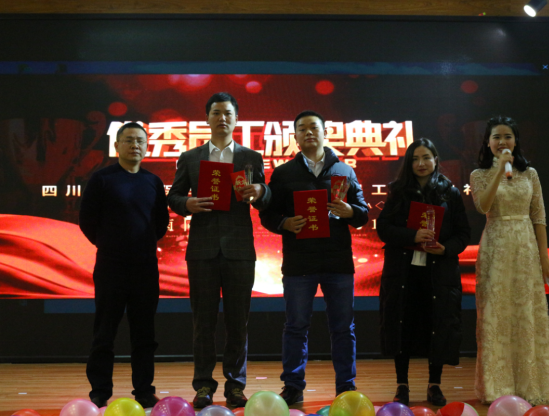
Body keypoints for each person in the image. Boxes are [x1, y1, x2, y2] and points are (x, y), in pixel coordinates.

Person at [167, 92, 271, 409]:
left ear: (236, 118)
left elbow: (265, 200)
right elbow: (173, 197)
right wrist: (187, 204)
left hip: (239, 249)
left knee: (238, 322)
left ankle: (236, 386)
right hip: (202, 249)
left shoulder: (251, 157)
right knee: (203, 322)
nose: (222, 118)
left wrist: (260, 190)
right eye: (216, 113)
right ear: (207, 118)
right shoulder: (191, 157)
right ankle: (203, 385)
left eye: (227, 113)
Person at [259, 110, 369, 406]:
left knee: (343, 327)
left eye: (314, 127)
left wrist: (351, 211)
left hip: (337, 262)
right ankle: (293, 386)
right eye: (302, 129)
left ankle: (346, 386)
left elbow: (363, 213)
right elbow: (268, 214)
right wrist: (284, 223)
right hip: (300, 263)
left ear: (324, 133)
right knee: (296, 326)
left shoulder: (344, 171)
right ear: (295, 137)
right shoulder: (283, 173)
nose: (308, 132)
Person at [79, 122, 169, 409]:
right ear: (116, 146)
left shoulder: (153, 181)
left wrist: (140, 245)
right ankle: (99, 391)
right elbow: (87, 220)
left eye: (140, 141)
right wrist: (110, 244)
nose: (135, 145)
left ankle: (144, 390)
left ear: (147, 147)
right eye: (129, 140)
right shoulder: (102, 179)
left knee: (145, 334)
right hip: (111, 266)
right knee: (104, 332)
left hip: (145, 267)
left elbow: (160, 223)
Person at [470, 116, 549, 405]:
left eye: (507, 136)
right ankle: (497, 387)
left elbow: (539, 217)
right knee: (496, 316)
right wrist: (499, 170)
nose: (502, 142)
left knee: (526, 315)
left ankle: (530, 385)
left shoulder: (530, 174)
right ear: (488, 142)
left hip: (525, 248)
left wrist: (544, 257)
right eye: (496, 137)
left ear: (515, 141)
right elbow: (482, 205)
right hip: (495, 246)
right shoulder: (479, 174)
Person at [376, 138, 470, 407]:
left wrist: (446, 249)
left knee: (436, 325)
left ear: (436, 160)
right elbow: (383, 228)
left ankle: (434, 384)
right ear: (408, 163)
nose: (421, 163)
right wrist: (412, 235)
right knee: (402, 324)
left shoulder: (450, 192)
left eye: (426, 157)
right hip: (403, 272)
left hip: (438, 272)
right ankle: (402, 385)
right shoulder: (397, 191)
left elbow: (463, 233)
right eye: (415, 158)